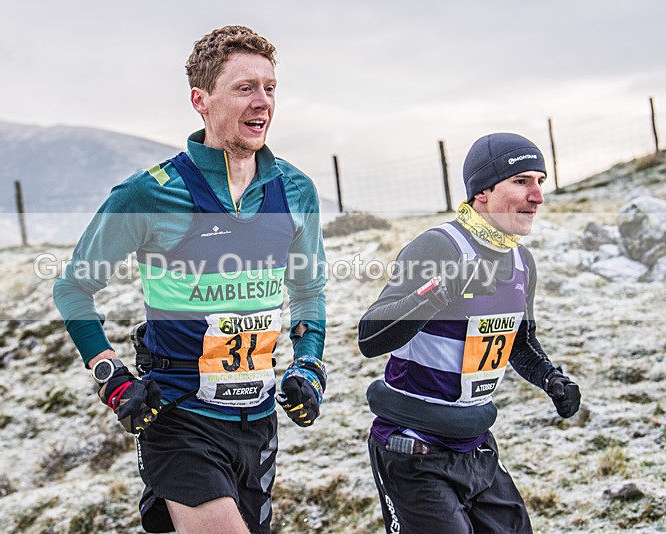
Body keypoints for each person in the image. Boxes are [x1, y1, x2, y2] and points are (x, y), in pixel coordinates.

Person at [52, 25, 327, 534]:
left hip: (258, 420)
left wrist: (309, 363)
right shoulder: (149, 194)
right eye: (245, 88)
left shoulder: (295, 189)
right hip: (177, 417)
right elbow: (73, 287)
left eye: (269, 88)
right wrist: (110, 373)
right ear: (201, 100)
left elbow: (308, 290)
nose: (262, 102)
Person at [358, 133, 581, 534]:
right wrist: (439, 290)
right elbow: (370, 337)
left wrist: (551, 378)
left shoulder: (520, 260)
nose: (537, 196)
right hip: (414, 452)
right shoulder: (438, 247)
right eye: (521, 181)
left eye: (540, 181)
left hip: (476, 447)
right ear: (483, 191)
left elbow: (518, 340)